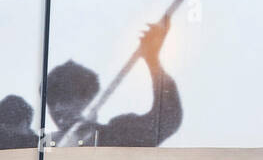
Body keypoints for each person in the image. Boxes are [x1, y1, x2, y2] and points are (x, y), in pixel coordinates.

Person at [47, 18, 182, 147]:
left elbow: (167, 119)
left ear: (90, 99)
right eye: (51, 102)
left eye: (66, 99)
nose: (57, 109)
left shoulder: (115, 138)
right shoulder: (44, 146)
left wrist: (152, 60)